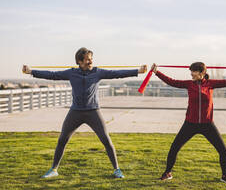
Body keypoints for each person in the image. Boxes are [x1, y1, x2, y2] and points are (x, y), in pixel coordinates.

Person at [22, 47, 147, 178]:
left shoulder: (98, 72)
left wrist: (138, 71)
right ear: (80, 61)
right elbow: (52, 75)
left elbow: (117, 73)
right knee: (62, 140)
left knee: (106, 140)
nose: (90, 61)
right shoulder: (71, 73)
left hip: (93, 112)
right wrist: (30, 71)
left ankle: (117, 170)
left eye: (91, 59)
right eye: (87, 59)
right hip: (75, 112)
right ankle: (54, 170)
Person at [152, 62, 226, 184]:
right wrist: (157, 72)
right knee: (174, 148)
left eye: (193, 71)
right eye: (191, 71)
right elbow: (172, 82)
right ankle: (167, 173)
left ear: (202, 73)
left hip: (207, 124)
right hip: (190, 123)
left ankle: (225, 176)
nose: (191, 74)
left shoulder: (211, 84)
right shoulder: (189, 84)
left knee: (222, 150)